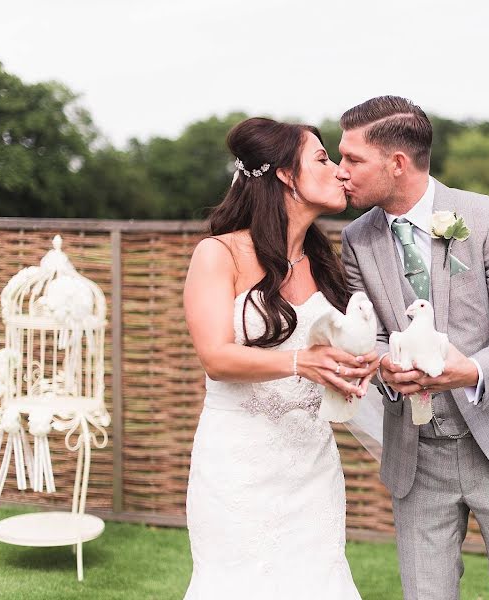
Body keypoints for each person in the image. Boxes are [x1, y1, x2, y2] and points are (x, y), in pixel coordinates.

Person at [337, 96, 489, 600]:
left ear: (396, 163)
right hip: (418, 457)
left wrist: (469, 371)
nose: (341, 172)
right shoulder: (356, 238)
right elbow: (371, 337)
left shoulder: (487, 218)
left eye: (352, 159)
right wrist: (385, 369)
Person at [182, 117, 377, 599]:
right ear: (287, 176)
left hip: (311, 465)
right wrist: (301, 364)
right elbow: (215, 357)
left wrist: (356, 365)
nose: (337, 170)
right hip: (237, 464)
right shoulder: (218, 254)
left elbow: (339, 345)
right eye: (323, 158)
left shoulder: (327, 263)